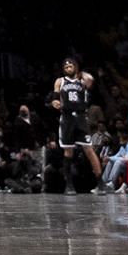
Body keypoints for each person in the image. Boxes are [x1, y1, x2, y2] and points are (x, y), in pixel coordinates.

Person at [51, 58, 100, 194]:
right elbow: (55, 97)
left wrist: (81, 72)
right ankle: (69, 185)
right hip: (67, 118)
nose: (68, 68)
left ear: (75, 67)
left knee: (89, 150)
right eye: (66, 67)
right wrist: (55, 102)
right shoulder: (60, 81)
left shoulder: (82, 81)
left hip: (81, 117)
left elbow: (91, 80)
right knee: (68, 151)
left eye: (71, 66)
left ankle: (100, 182)